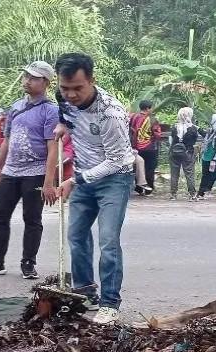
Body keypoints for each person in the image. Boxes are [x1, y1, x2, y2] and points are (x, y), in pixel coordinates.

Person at [53, 53, 135, 325]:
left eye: (78, 88)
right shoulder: (62, 98)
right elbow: (64, 111)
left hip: (114, 179)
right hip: (83, 176)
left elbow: (118, 160)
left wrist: (75, 180)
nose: (71, 95)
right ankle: (85, 291)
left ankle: (110, 303)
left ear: (92, 81)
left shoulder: (111, 113)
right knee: (76, 235)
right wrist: (63, 125)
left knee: (108, 241)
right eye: (65, 88)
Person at [0, 61, 59, 279]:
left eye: (34, 78)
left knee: (32, 219)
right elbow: (7, 142)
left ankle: (28, 262)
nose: (27, 81)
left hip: (35, 172)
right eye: (26, 77)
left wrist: (49, 182)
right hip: (11, 171)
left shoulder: (50, 111)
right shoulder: (16, 107)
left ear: (46, 83)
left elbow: (52, 148)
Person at [129, 100, 161, 191]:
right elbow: (157, 134)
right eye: (151, 108)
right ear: (148, 108)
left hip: (136, 146)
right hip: (150, 147)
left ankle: (138, 187)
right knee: (150, 167)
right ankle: (149, 188)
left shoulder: (133, 117)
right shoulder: (152, 119)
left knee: (137, 166)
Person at [168, 107, 199, 200]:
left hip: (174, 152)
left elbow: (171, 141)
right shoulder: (193, 128)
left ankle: (173, 194)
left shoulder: (174, 127)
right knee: (189, 174)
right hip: (188, 152)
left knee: (174, 174)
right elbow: (195, 139)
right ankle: (192, 194)